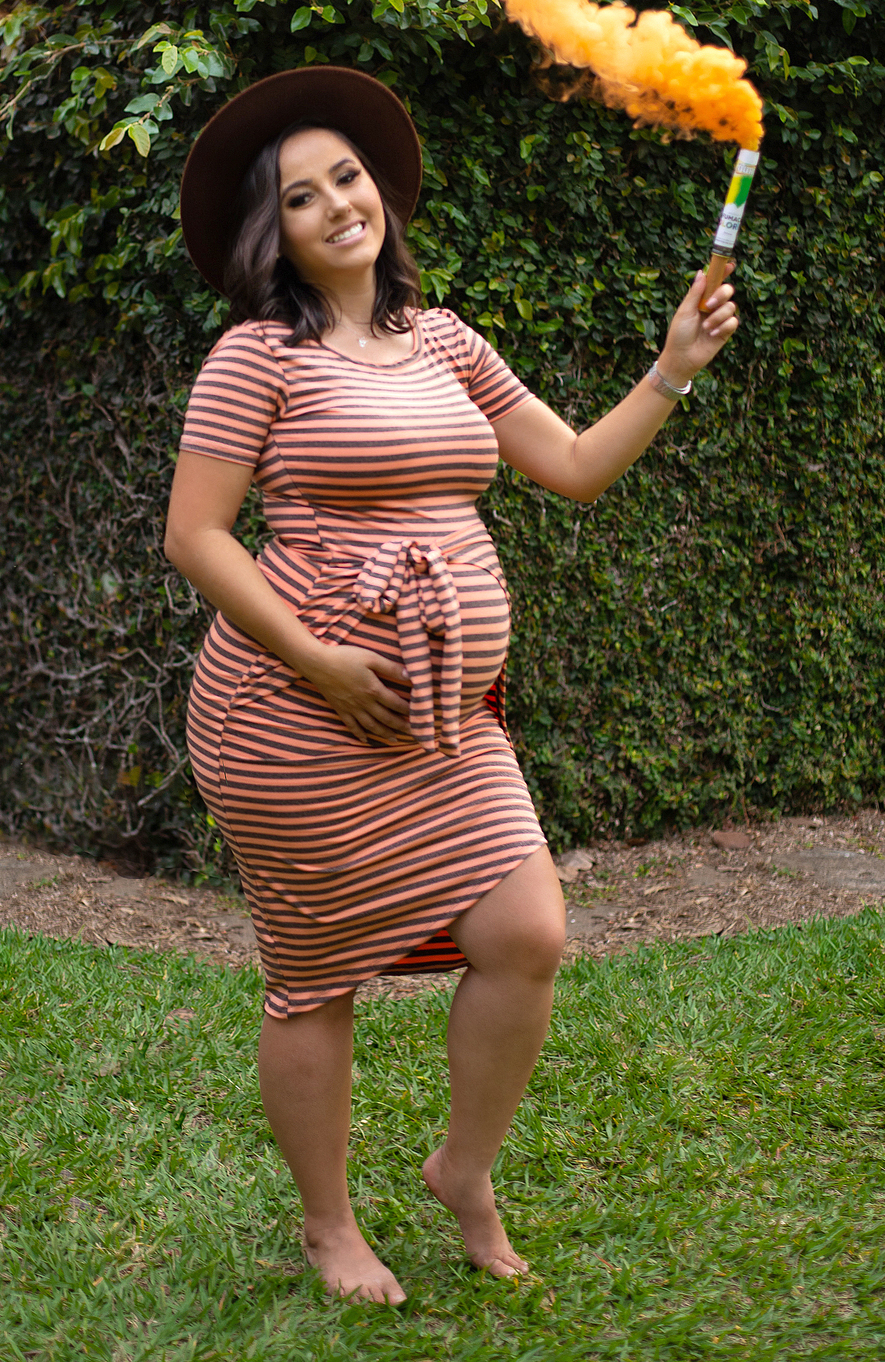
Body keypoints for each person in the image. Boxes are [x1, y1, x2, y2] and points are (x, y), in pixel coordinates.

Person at [164, 66, 739, 1305]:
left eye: (349, 178)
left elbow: (573, 466)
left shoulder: (445, 341)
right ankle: (329, 1227)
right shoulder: (256, 358)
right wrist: (320, 660)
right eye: (302, 196)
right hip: (292, 718)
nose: (338, 205)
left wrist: (672, 366)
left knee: (527, 931)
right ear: (274, 233)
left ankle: (460, 1170)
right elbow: (196, 537)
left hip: (441, 721)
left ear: (380, 194)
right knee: (315, 978)